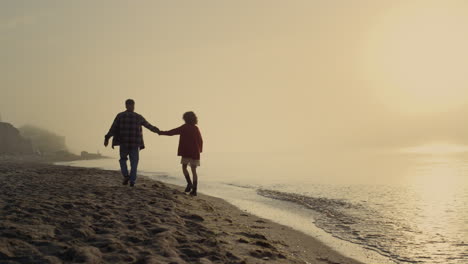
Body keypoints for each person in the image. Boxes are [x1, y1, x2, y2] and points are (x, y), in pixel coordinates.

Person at [104, 99, 159, 187]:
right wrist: (157, 130)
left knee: (123, 160)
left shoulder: (120, 116)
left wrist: (107, 137)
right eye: (131, 105)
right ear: (128, 106)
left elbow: (113, 128)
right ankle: (132, 180)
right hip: (134, 144)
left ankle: (126, 176)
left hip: (124, 143)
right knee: (134, 163)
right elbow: (148, 126)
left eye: (132, 105)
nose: (131, 107)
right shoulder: (137, 116)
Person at [159, 111, 203, 196]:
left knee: (184, 167)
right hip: (195, 152)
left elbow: (172, 132)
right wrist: (199, 151)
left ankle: (189, 183)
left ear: (185, 119)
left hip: (186, 152)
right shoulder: (196, 128)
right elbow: (200, 140)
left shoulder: (184, 127)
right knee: (194, 171)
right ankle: (194, 190)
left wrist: (161, 132)